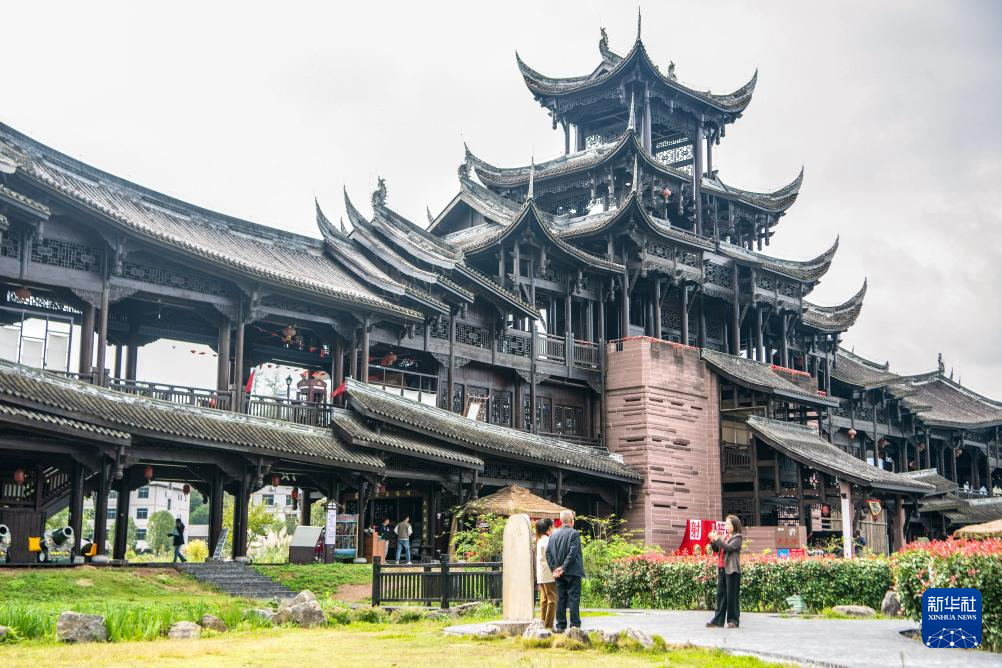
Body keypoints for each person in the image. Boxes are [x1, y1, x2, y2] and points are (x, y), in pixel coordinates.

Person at [545, 510, 585, 632]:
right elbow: (572, 553)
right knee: (574, 598)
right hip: (572, 572)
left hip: (558, 574)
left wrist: (554, 569)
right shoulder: (574, 534)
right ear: (572, 521)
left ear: (561, 521)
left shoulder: (553, 536)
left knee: (560, 599)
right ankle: (574, 625)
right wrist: (563, 568)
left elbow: (548, 553)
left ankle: (560, 625)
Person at [706, 515, 743, 628]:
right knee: (720, 595)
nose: (727, 526)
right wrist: (713, 541)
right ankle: (718, 620)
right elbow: (717, 549)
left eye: (729, 524)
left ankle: (733, 621)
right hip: (722, 569)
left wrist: (717, 539)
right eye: (726, 524)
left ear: (735, 525)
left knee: (732, 597)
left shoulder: (738, 537)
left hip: (732, 570)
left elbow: (728, 548)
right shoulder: (724, 537)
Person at [535, 518, 556, 630]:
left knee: (544, 600)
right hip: (548, 574)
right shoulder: (547, 540)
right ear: (549, 528)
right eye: (553, 526)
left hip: (541, 574)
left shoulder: (539, 540)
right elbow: (551, 557)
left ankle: (542, 623)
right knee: (552, 600)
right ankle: (548, 625)